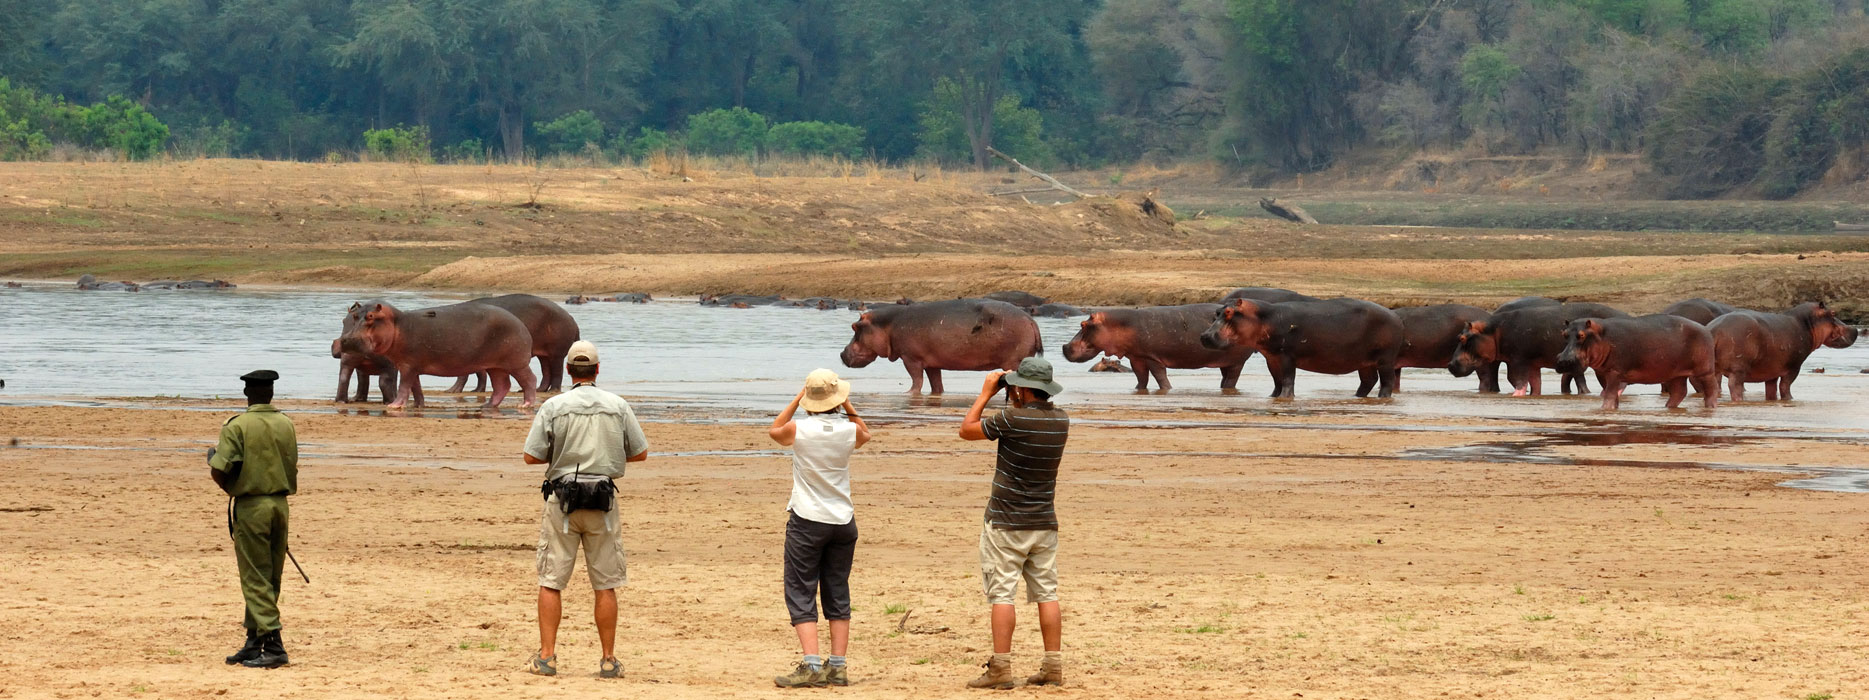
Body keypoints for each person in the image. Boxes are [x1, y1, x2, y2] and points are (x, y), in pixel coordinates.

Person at [522, 340, 650, 678]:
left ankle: (547, 657)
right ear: (596, 370)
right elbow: (640, 452)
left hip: (562, 500)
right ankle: (608, 659)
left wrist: (562, 454)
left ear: (567, 371)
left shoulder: (553, 406)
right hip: (602, 501)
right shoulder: (618, 405)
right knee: (605, 583)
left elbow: (531, 456)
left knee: (551, 580)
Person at [958, 357, 1069, 689]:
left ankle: (1001, 669)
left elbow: (967, 429)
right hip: (1043, 520)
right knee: (1047, 593)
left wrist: (985, 394)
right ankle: (1052, 666)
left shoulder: (1012, 418)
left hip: (1006, 521)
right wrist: (1011, 389)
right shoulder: (1061, 420)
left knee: (1002, 594)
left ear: (1021, 389)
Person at [767, 369, 871, 688]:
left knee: (801, 589)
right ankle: (837, 665)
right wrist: (847, 404)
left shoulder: (800, 429)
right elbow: (865, 432)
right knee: (837, 590)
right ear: (837, 399)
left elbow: (775, 430)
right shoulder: (848, 431)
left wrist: (798, 398)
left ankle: (812, 664)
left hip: (808, 519)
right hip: (843, 520)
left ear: (809, 399)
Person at [209, 369, 299, 669]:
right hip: (280, 506)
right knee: (271, 575)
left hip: (252, 506)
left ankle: (273, 644)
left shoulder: (237, 426)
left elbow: (219, 469)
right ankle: (254, 640)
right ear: (271, 394)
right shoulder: (286, 423)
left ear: (248, 394)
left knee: (254, 576)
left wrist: (233, 487)